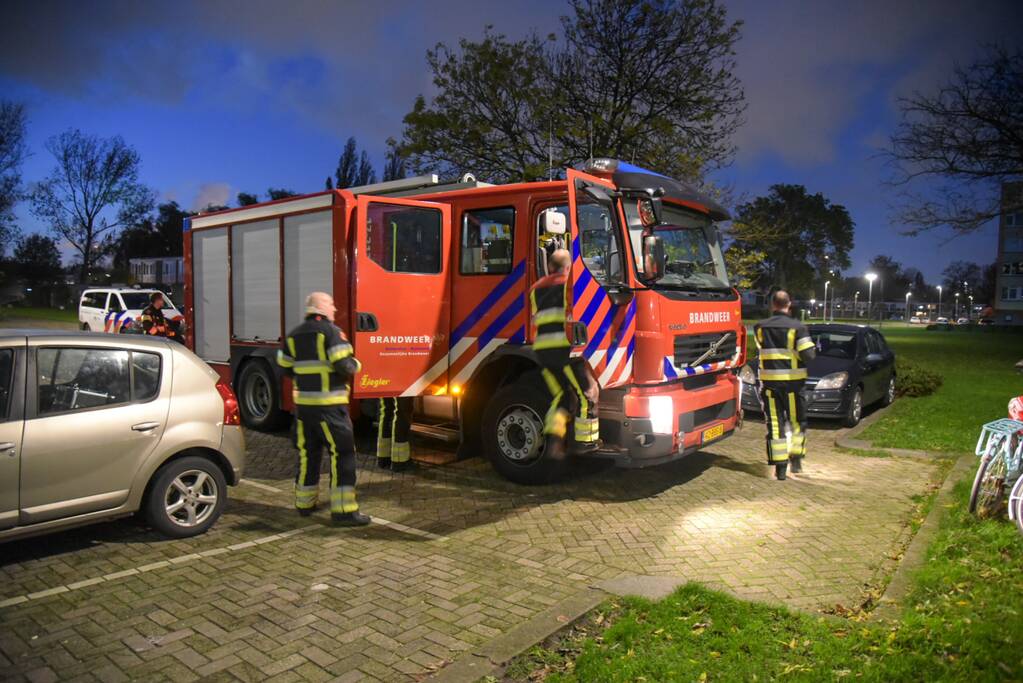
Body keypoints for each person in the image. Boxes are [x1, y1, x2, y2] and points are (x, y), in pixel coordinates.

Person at [276, 292, 370, 526]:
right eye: (331, 303)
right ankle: (344, 511)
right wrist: (357, 364)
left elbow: (285, 367)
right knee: (343, 455)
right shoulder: (332, 332)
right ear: (320, 307)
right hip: (330, 408)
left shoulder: (294, 334)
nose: (335, 308)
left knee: (308, 454)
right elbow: (343, 365)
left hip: (303, 409)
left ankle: (305, 504)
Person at [529, 248, 599, 457]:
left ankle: (554, 439)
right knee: (588, 394)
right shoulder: (570, 287)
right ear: (568, 268)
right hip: (564, 351)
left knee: (560, 396)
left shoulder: (535, 288)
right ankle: (585, 442)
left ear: (549, 267)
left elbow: (535, 319)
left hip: (542, 352)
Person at [754, 290, 816, 480]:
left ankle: (780, 469)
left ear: (773, 305)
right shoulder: (798, 327)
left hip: (770, 385)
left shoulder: (759, 327)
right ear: (789, 304)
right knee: (797, 422)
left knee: (774, 425)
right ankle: (795, 461)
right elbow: (809, 355)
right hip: (793, 385)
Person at [376, 397, 414, 471]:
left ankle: (383, 458)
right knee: (401, 412)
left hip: (385, 385)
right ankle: (400, 461)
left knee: (385, 410)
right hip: (402, 386)